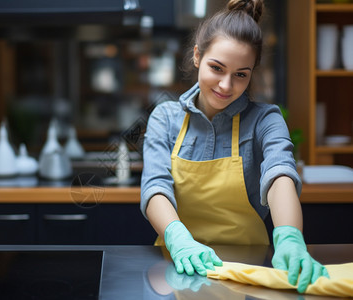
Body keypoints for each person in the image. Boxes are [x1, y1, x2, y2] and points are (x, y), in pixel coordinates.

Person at [140, 0, 329, 294]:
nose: (226, 86)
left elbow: (280, 176)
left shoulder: (266, 120)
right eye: (217, 68)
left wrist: (290, 237)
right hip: (177, 268)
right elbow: (155, 187)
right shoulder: (165, 118)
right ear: (197, 56)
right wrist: (178, 238)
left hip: (248, 271)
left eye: (241, 74)